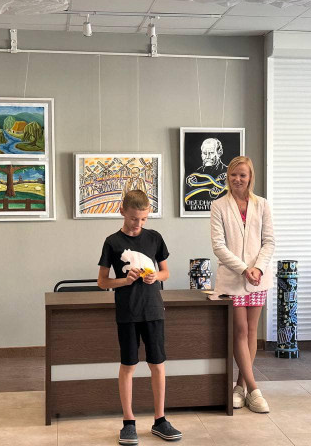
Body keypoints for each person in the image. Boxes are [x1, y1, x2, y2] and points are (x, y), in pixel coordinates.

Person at [98, 190, 182, 444]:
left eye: (144, 219)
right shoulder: (112, 242)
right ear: (122, 211)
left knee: (157, 364)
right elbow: (102, 282)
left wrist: (156, 276)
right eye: (134, 218)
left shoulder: (155, 238)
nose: (138, 224)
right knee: (128, 365)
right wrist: (125, 280)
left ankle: (160, 420)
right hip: (127, 313)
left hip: (154, 310)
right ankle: (128, 422)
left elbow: (165, 272)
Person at [210, 156, 275, 413]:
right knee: (240, 331)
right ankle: (255, 390)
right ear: (228, 176)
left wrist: (257, 268)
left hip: (258, 278)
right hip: (233, 279)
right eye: (233, 174)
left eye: (243, 175)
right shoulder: (219, 205)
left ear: (250, 177)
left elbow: (269, 241)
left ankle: (240, 387)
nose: (237, 179)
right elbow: (218, 246)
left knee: (251, 332)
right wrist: (243, 269)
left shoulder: (262, 205)